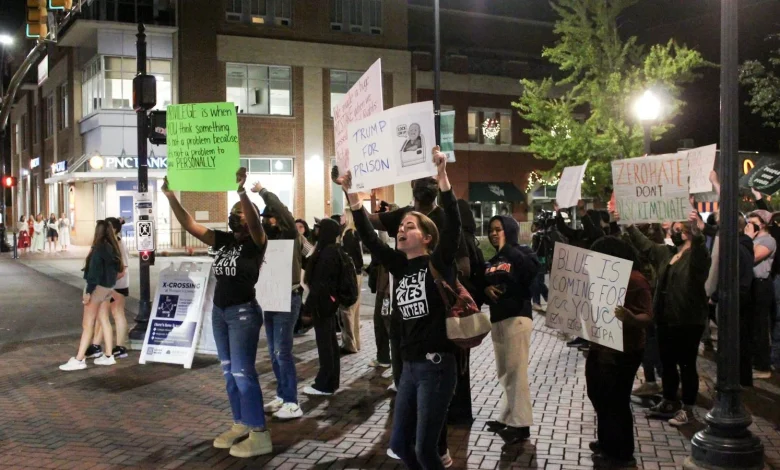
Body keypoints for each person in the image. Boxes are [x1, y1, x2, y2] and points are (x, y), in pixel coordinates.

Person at [343, 146, 459, 469]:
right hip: (409, 368)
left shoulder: (439, 262)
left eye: (410, 226)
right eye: (400, 227)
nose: (401, 230)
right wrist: (353, 197)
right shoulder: (400, 265)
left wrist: (443, 178)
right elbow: (370, 237)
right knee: (399, 445)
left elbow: (454, 225)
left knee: (425, 449)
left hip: (436, 367)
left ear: (427, 237)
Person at [164, 169, 273, 458]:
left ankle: (259, 433)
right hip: (220, 313)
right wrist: (171, 197)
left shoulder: (256, 243)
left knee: (242, 372)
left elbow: (254, 223)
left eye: (241, 214)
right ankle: (241, 423)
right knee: (228, 372)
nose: (236, 217)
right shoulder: (224, 240)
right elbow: (191, 225)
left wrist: (242, 192)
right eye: (234, 213)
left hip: (243, 314)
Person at [626, 214, 710, 426]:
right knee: (668, 362)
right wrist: (629, 226)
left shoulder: (695, 256)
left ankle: (688, 409)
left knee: (687, 364)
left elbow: (701, 253)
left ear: (687, 232)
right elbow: (646, 246)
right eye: (673, 228)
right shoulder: (668, 253)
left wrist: (698, 234)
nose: (673, 232)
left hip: (688, 319)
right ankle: (669, 400)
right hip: (665, 318)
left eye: (678, 229)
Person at [586, 236, 653, 469]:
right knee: (599, 394)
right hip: (601, 347)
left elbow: (647, 316)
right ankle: (607, 441)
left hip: (624, 350)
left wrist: (631, 317)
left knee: (616, 400)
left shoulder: (635, 279)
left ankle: (621, 453)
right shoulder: (602, 278)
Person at [251, 181, 305, 421]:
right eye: (264, 218)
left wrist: (263, 192)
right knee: (274, 352)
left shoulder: (290, 236)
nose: (266, 221)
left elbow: (283, 213)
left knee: (282, 351)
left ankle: (293, 402)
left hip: (288, 296)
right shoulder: (266, 240)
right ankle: (283, 396)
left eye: (270, 218)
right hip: (271, 296)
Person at [482, 215, 538, 444]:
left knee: (516, 372)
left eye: (499, 229)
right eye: (491, 230)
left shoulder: (523, 252)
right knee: (505, 373)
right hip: (498, 320)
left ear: (510, 230)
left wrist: (508, 248)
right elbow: (482, 283)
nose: (494, 234)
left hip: (517, 317)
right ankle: (507, 417)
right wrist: (485, 289)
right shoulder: (492, 260)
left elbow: (530, 272)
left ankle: (521, 424)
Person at [59, 220, 125, 371]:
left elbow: (93, 274)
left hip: (97, 289)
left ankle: (79, 358)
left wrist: (88, 292)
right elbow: (118, 271)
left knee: (87, 325)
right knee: (104, 320)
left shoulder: (98, 249)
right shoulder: (113, 248)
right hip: (108, 288)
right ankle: (108, 356)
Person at [301, 218, 344, 396]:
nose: (315, 231)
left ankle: (325, 384)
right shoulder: (330, 250)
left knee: (325, 344)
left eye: (319, 228)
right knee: (330, 343)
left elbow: (320, 283)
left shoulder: (327, 253)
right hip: (328, 304)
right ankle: (330, 381)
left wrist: (308, 308)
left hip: (323, 305)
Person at [87, 217, 131, 359]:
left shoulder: (119, 243)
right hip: (110, 284)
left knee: (116, 313)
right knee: (103, 315)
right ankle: (96, 345)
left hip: (116, 285)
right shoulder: (110, 244)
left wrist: (107, 280)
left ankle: (120, 346)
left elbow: (123, 268)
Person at [746, 209, 776, 380]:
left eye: (753, 222)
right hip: (751, 284)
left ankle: (763, 365)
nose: (749, 224)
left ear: (763, 224)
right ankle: (754, 361)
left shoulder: (768, 240)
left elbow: (753, 257)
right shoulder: (754, 239)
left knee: (760, 326)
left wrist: (748, 239)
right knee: (751, 324)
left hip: (761, 284)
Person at [338, 209, 364, 354]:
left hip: (351, 274)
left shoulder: (348, 234)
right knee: (355, 310)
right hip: (357, 273)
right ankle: (356, 342)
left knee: (347, 310)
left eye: (343, 215)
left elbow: (349, 258)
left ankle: (349, 343)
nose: (341, 217)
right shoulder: (354, 233)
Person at [530, 221, 549, 312]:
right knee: (539, 281)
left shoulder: (536, 235)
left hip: (537, 261)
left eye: (533, 225)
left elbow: (534, 250)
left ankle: (539, 300)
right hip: (543, 261)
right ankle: (538, 302)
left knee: (536, 282)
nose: (532, 227)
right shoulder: (544, 235)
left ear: (537, 226)